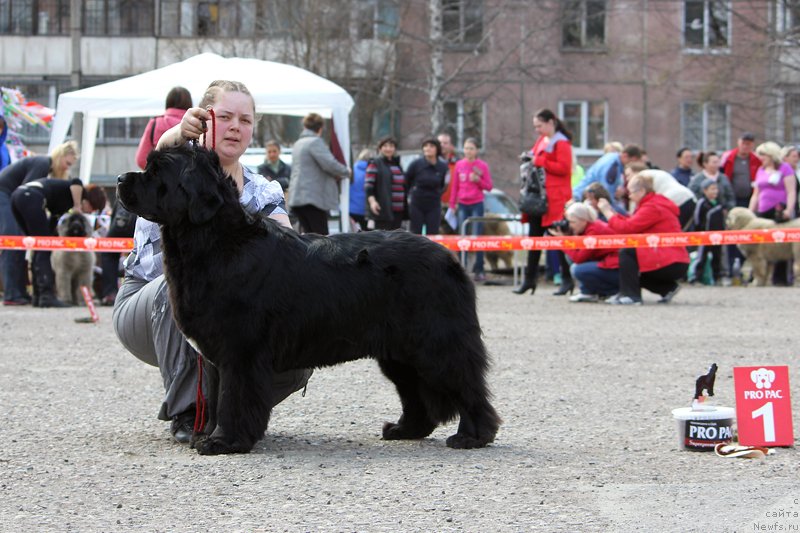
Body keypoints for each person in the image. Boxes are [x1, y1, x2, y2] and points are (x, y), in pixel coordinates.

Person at [113, 80, 312, 443]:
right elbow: (165, 267)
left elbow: (290, 261)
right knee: (184, 289)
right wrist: (173, 137)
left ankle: (233, 415)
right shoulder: (170, 173)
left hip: (221, 305)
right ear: (202, 120)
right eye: (225, 116)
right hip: (148, 302)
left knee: (289, 323)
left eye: (245, 120)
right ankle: (190, 411)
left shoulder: (264, 189)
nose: (236, 126)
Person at [0, 140, 79, 306]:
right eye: (67, 163)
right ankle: (12, 293)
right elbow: (27, 190)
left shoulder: (45, 167)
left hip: (10, 195)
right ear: (60, 156)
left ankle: (18, 292)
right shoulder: (42, 163)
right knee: (13, 240)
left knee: (21, 242)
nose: (67, 168)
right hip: (4, 195)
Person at [11, 176, 105, 307]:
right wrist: (77, 206)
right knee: (43, 248)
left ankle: (38, 295)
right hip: (30, 196)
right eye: (91, 208)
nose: (89, 212)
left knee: (37, 246)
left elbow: (52, 222)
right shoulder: (79, 193)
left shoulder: (61, 202)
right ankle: (47, 296)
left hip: (17, 196)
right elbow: (76, 181)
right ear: (88, 200)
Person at [597, 173, 690, 305]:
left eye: (631, 192)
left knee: (627, 252)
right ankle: (668, 289)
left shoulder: (651, 207)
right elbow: (631, 224)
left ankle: (631, 296)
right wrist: (612, 214)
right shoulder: (654, 204)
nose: (629, 196)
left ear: (641, 191)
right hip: (674, 259)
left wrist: (607, 213)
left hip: (669, 260)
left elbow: (627, 228)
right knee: (633, 268)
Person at [513, 109, 573, 295]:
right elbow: (536, 158)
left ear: (550, 122)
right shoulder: (542, 141)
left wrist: (538, 160)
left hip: (554, 200)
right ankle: (529, 280)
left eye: (539, 126)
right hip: (539, 198)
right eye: (535, 127)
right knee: (534, 239)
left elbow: (564, 168)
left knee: (558, 240)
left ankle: (567, 279)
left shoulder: (561, 143)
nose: (537, 130)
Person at [288, 112, 351, 235]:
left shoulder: (298, 144)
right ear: (320, 128)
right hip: (312, 199)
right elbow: (330, 164)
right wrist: (346, 171)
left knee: (309, 238)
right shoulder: (314, 142)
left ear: (305, 127)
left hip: (298, 198)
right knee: (322, 239)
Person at [548, 202, 619, 303]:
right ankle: (588, 291)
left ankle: (612, 291)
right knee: (572, 259)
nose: (570, 226)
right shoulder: (587, 228)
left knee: (577, 269)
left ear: (583, 220)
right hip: (608, 263)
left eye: (572, 222)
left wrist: (563, 242)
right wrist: (569, 237)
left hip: (616, 268)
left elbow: (579, 258)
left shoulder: (593, 231)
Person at [750, 141, 797, 285]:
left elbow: (791, 191)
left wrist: (789, 209)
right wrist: (750, 212)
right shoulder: (761, 170)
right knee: (759, 245)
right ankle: (759, 277)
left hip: (779, 212)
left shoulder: (785, 168)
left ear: (771, 155)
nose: (760, 157)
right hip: (762, 212)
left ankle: (780, 278)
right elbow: (756, 194)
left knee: (780, 243)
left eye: (763, 154)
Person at [450, 137, 493, 282]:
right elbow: (455, 186)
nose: (468, 151)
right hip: (462, 204)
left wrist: (478, 180)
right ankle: (462, 269)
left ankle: (479, 269)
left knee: (477, 237)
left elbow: (489, 186)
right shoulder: (459, 165)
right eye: (466, 148)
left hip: (477, 204)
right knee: (463, 237)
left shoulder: (482, 166)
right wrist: (452, 205)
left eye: (471, 148)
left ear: (476, 150)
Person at [134, 86, 193, 170]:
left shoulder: (155, 123)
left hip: (160, 180)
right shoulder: (194, 125)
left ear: (168, 102)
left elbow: (141, 159)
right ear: (189, 103)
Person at [572, 144, 643, 210]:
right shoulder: (612, 166)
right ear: (625, 156)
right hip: (584, 198)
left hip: (581, 195)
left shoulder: (612, 157)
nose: (632, 165)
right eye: (632, 161)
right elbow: (606, 194)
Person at [630, 164, 697, 231]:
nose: (627, 178)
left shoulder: (641, 179)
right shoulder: (652, 174)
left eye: (628, 175)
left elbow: (639, 199)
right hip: (688, 196)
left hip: (677, 199)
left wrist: (632, 216)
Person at [406, 137, 449, 235]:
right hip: (417, 203)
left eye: (431, 146)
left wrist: (437, 194)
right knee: (415, 234)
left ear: (437, 149)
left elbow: (444, 185)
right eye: (425, 146)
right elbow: (406, 181)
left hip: (434, 204)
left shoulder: (443, 167)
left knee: (432, 234)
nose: (428, 148)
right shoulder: (415, 164)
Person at [365, 136, 407, 231]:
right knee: (384, 239)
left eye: (391, 146)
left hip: (398, 210)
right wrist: (372, 202)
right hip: (383, 209)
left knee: (396, 238)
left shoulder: (397, 164)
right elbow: (368, 185)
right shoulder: (374, 163)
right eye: (385, 146)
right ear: (380, 148)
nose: (388, 149)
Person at [690, 179, 726, 285]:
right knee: (701, 257)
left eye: (716, 189)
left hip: (717, 236)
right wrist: (700, 232)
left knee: (717, 257)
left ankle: (717, 277)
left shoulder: (719, 203)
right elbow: (697, 219)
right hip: (704, 236)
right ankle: (696, 278)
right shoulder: (701, 203)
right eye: (712, 189)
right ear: (705, 191)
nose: (715, 191)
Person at [349, 148, 371, 231]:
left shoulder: (352, 169)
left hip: (351, 209)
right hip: (366, 210)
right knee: (367, 236)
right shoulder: (372, 171)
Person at [438, 132, 458, 208]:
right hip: (434, 205)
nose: (442, 145)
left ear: (451, 146)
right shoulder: (430, 163)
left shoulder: (458, 163)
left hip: (454, 206)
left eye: (445, 143)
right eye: (440, 143)